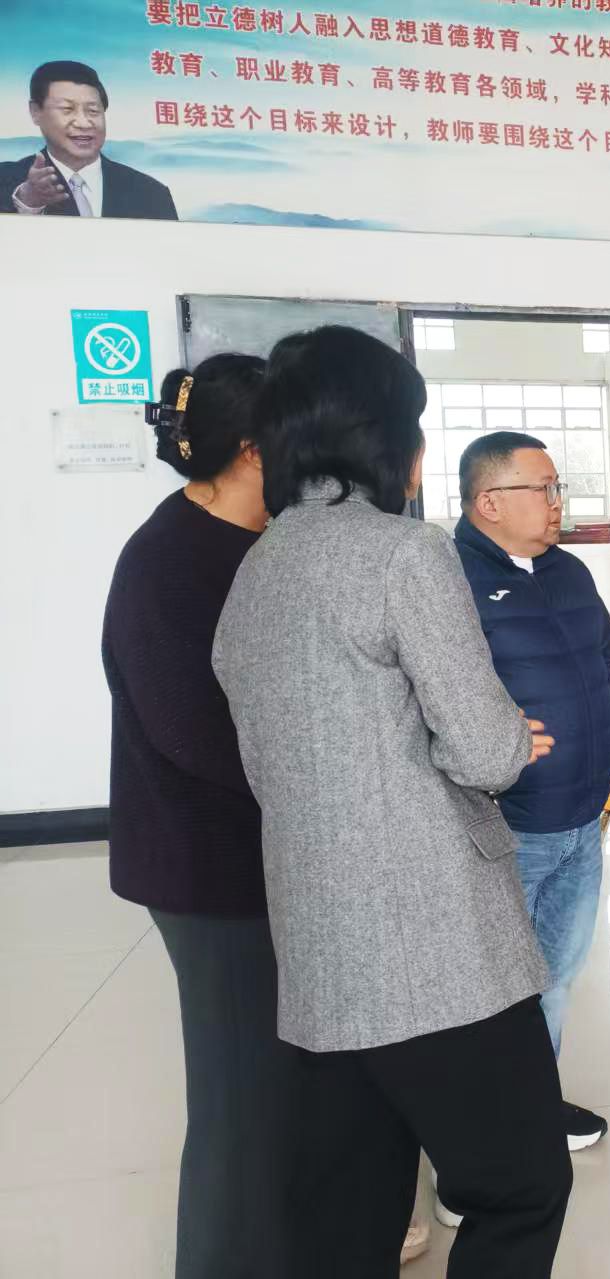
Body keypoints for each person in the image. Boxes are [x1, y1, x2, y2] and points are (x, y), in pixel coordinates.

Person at [211, 326, 570, 1277]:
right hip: (435, 945)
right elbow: (486, 750)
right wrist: (510, 731)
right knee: (523, 1185)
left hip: (320, 951)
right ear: (380, 434)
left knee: (348, 1217)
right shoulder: (404, 553)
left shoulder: (257, 569)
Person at [100, 355, 319, 1277]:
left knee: (277, 1085)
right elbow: (196, 731)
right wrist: (329, 781)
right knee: (236, 1100)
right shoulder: (167, 562)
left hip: (262, 857)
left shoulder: (253, 541)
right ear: (252, 449)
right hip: (208, 871)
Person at [451, 431, 610, 1164]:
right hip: (505, 827)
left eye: (558, 487)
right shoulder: (448, 581)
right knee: (491, 990)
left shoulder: (569, 571)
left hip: (584, 817)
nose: (558, 502)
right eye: (544, 488)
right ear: (490, 502)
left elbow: (608, 667)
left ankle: (533, 1110)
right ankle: (477, 1151)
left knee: (555, 979)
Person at [3, 61, 177, 219]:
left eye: (93, 111)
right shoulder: (6, 180)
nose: (84, 123)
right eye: (67, 109)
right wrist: (28, 204)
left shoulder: (152, 193)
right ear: (35, 111)